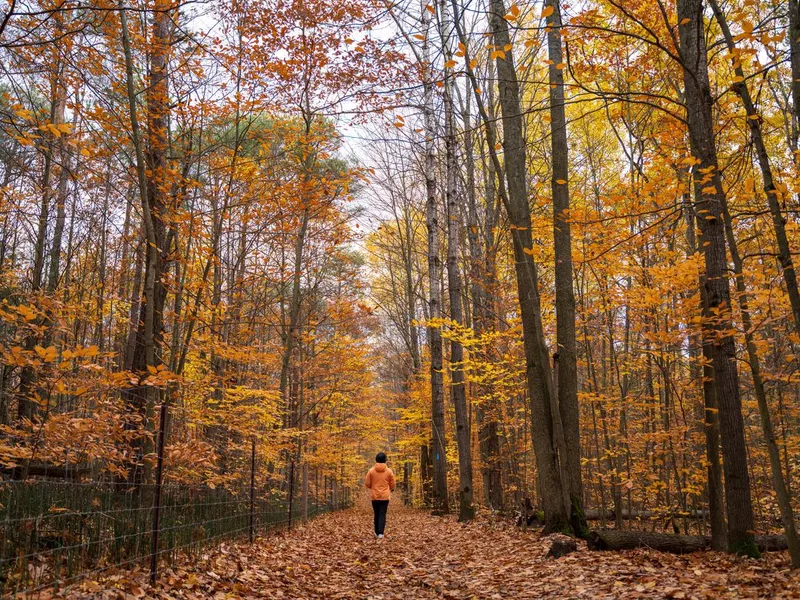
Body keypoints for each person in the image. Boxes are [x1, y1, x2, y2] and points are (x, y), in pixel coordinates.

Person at [364, 452, 395, 538]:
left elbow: (367, 483)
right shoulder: (389, 471)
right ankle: (381, 533)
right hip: (385, 496)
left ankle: (377, 532)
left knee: (376, 513)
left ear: (376, 460)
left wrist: (372, 487)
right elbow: (392, 483)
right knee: (382, 514)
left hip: (375, 496)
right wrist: (391, 489)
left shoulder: (371, 471)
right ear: (385, 460)